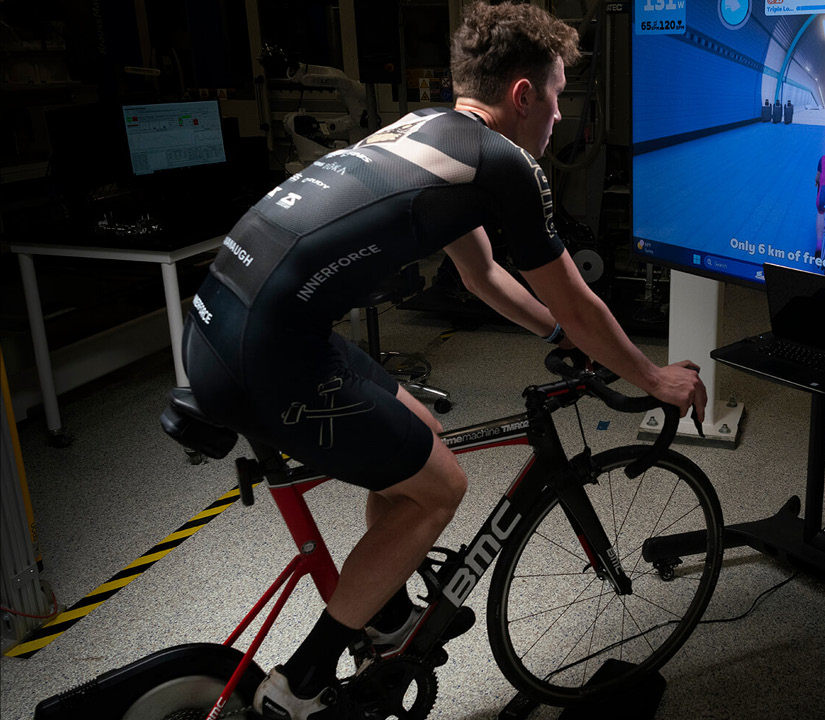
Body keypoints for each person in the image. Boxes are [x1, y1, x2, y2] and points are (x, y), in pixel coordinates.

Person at [181, 3, 707, 719]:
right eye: (557, 95)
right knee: (440, 487)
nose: (559, 116)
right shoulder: (505, 164)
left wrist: (556, 338)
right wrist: (652, 377)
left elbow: (482, 275)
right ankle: (299, 688)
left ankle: (387, 615)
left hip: (219, 322)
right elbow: (581, 303)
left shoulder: (434, 133)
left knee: (417, 424)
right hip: (266, 355)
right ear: (524, 95)